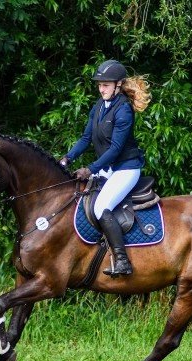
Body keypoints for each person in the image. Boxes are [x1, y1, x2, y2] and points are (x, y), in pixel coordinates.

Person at [60, 60, 151, 277]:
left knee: (101, 207)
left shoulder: (124, 111)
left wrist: (90, 169)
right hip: (108, 168)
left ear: (118, 85)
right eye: (100, 85)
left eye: (106, 85)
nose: (102, 89)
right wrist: (66, 159)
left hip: (125, 169)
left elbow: (116, 149)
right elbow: (85, 138)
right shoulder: (99, 106)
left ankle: (122, 261)